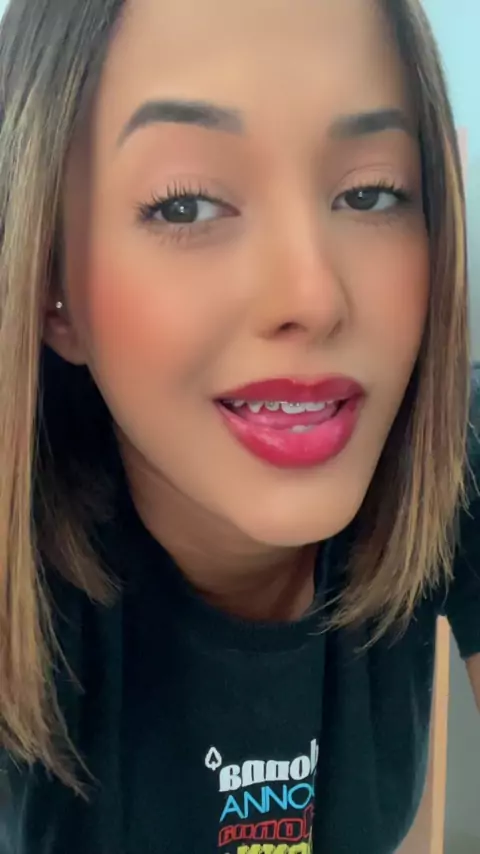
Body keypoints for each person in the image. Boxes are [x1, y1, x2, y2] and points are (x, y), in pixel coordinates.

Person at [0, 0, 478, 851]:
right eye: (185, 206)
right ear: (51, 288)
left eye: (370, 193)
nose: (312, 296)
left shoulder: (460, 465)